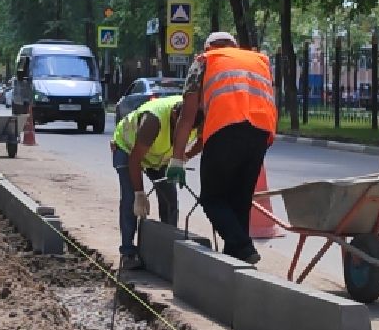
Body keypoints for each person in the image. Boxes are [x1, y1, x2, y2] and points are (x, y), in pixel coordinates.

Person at [169, 31, 277, 264]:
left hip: (224, 129)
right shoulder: (259, 60)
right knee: (240, 201)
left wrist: (177, 160)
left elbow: (187, 117)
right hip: (260, 131)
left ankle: (243, 248)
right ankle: (235, 262)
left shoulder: (204, 61)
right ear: (234, 46)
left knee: (212, 198)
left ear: (209, 47)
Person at [112, 93, 201, 269]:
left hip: (159, 157)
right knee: (130, 200)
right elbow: (135, 160)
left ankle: (168, 247)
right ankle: (128, 252)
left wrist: (184, 157)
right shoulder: (153, 121)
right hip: (128, 149)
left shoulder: (198, 115)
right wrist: (139, 193)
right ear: (176, 116)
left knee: (169, 199)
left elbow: (204, 140)